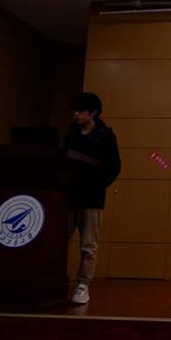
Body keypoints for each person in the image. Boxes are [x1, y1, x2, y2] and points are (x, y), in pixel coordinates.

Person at [64, 92, 121, 304]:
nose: (76, 115)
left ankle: (83, 285)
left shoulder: (105, 135)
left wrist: (97, 185)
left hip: (92, 197)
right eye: (75, 111)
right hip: (68, 195)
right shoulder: (71, 133)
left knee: (88, 244)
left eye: (80, 111)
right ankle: (58, 279)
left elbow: (114, 166)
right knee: (59, 241)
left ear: (93, 112)